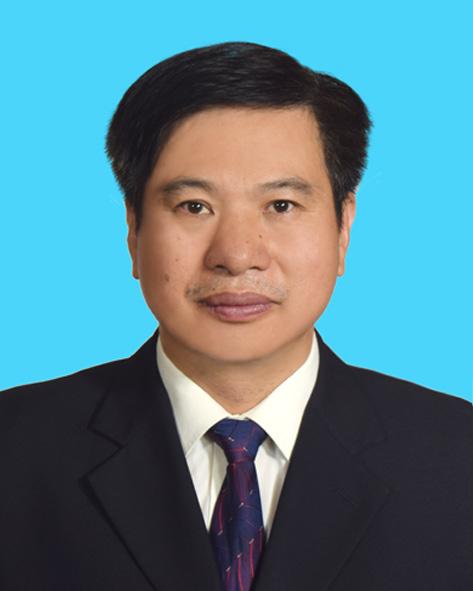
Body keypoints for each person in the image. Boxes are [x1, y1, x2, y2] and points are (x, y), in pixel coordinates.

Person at [0, 42, 470, 591]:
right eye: (194, 206)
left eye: (281, 206)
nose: (238, 254)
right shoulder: (15, 449)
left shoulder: (456, 457)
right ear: (133, 230)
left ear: (343, 228)